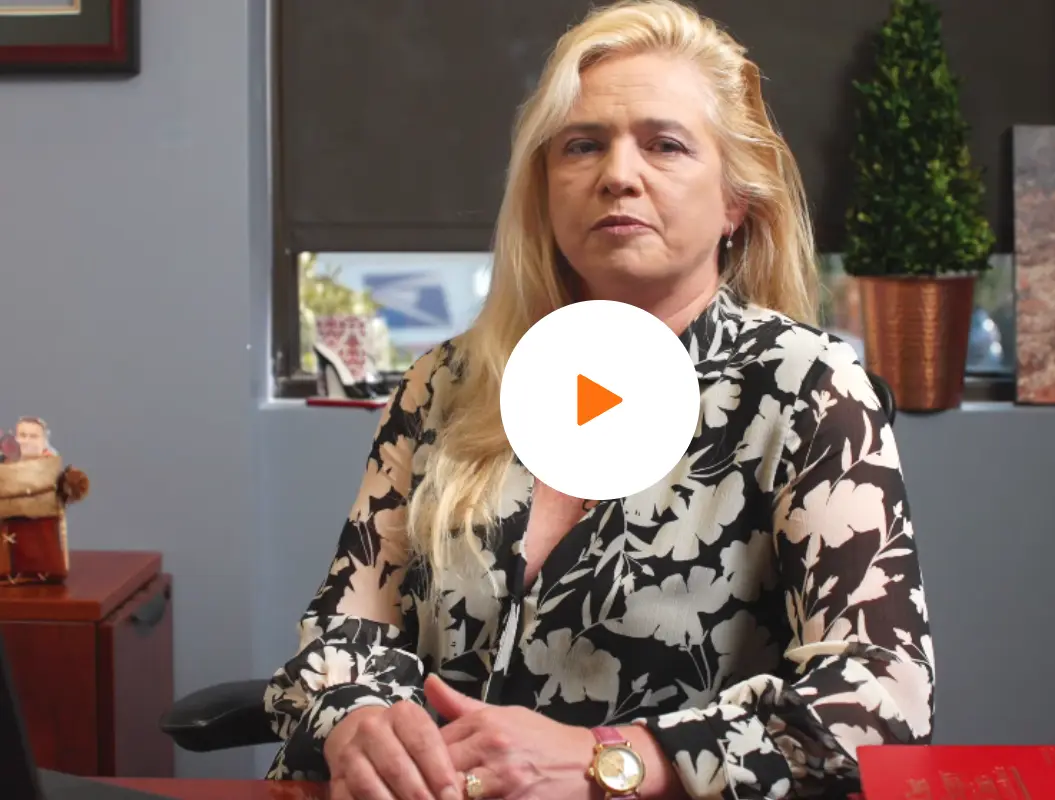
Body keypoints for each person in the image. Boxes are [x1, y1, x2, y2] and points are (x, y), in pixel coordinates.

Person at [264, 2, 934, 798]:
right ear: (545, 189)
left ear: (734, 202)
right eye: (582, 145)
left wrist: (609, 759)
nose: (618, 173)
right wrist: (355, 717)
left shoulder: (806, 389)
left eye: (665, 144)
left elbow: (880, 701)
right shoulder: (446, 383)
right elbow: (342, 632)